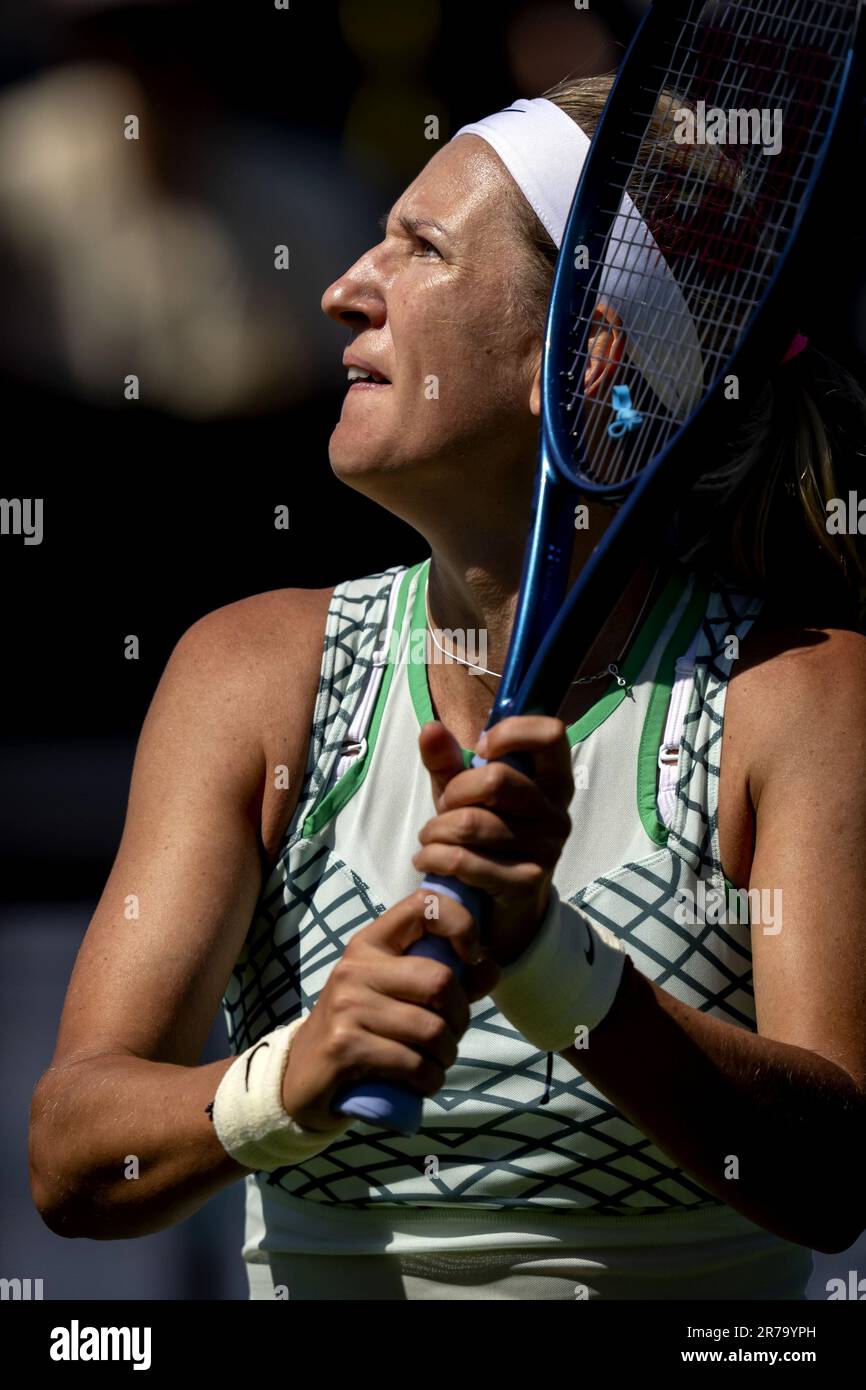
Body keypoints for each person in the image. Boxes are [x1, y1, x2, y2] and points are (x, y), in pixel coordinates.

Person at [30, 76, 866, 1300]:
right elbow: (70, 1158)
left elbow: (835, 1176)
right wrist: (291, 1077)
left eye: (416, 246)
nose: (340, 288)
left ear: (581, 355)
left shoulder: (795, 696)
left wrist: (555, 967)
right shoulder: (250, 674)